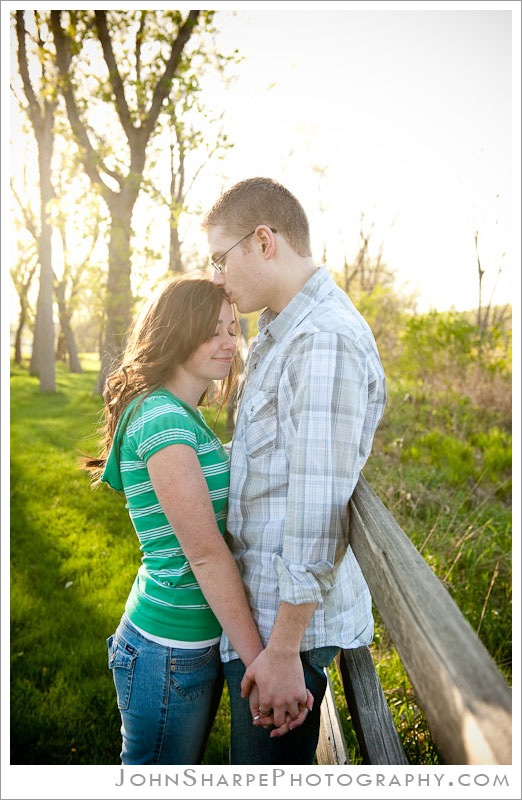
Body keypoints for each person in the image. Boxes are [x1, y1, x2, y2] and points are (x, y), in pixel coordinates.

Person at [80, 275, 310, 765]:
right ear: (177, 332)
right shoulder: (164, 421)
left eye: (232, 328)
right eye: (212, 331)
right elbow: (205, 554)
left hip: (188, 646)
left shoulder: (181, 415)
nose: (229, 343)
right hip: (169, 649)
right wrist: (261, 665)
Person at [202, 177, 387, 764]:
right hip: (265, 619)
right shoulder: (282, 331)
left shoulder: (321, 340)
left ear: (263, 241)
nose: (215, 277)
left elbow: (315, 512)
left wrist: (282, 652)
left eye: (219, 258)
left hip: (287, 639)